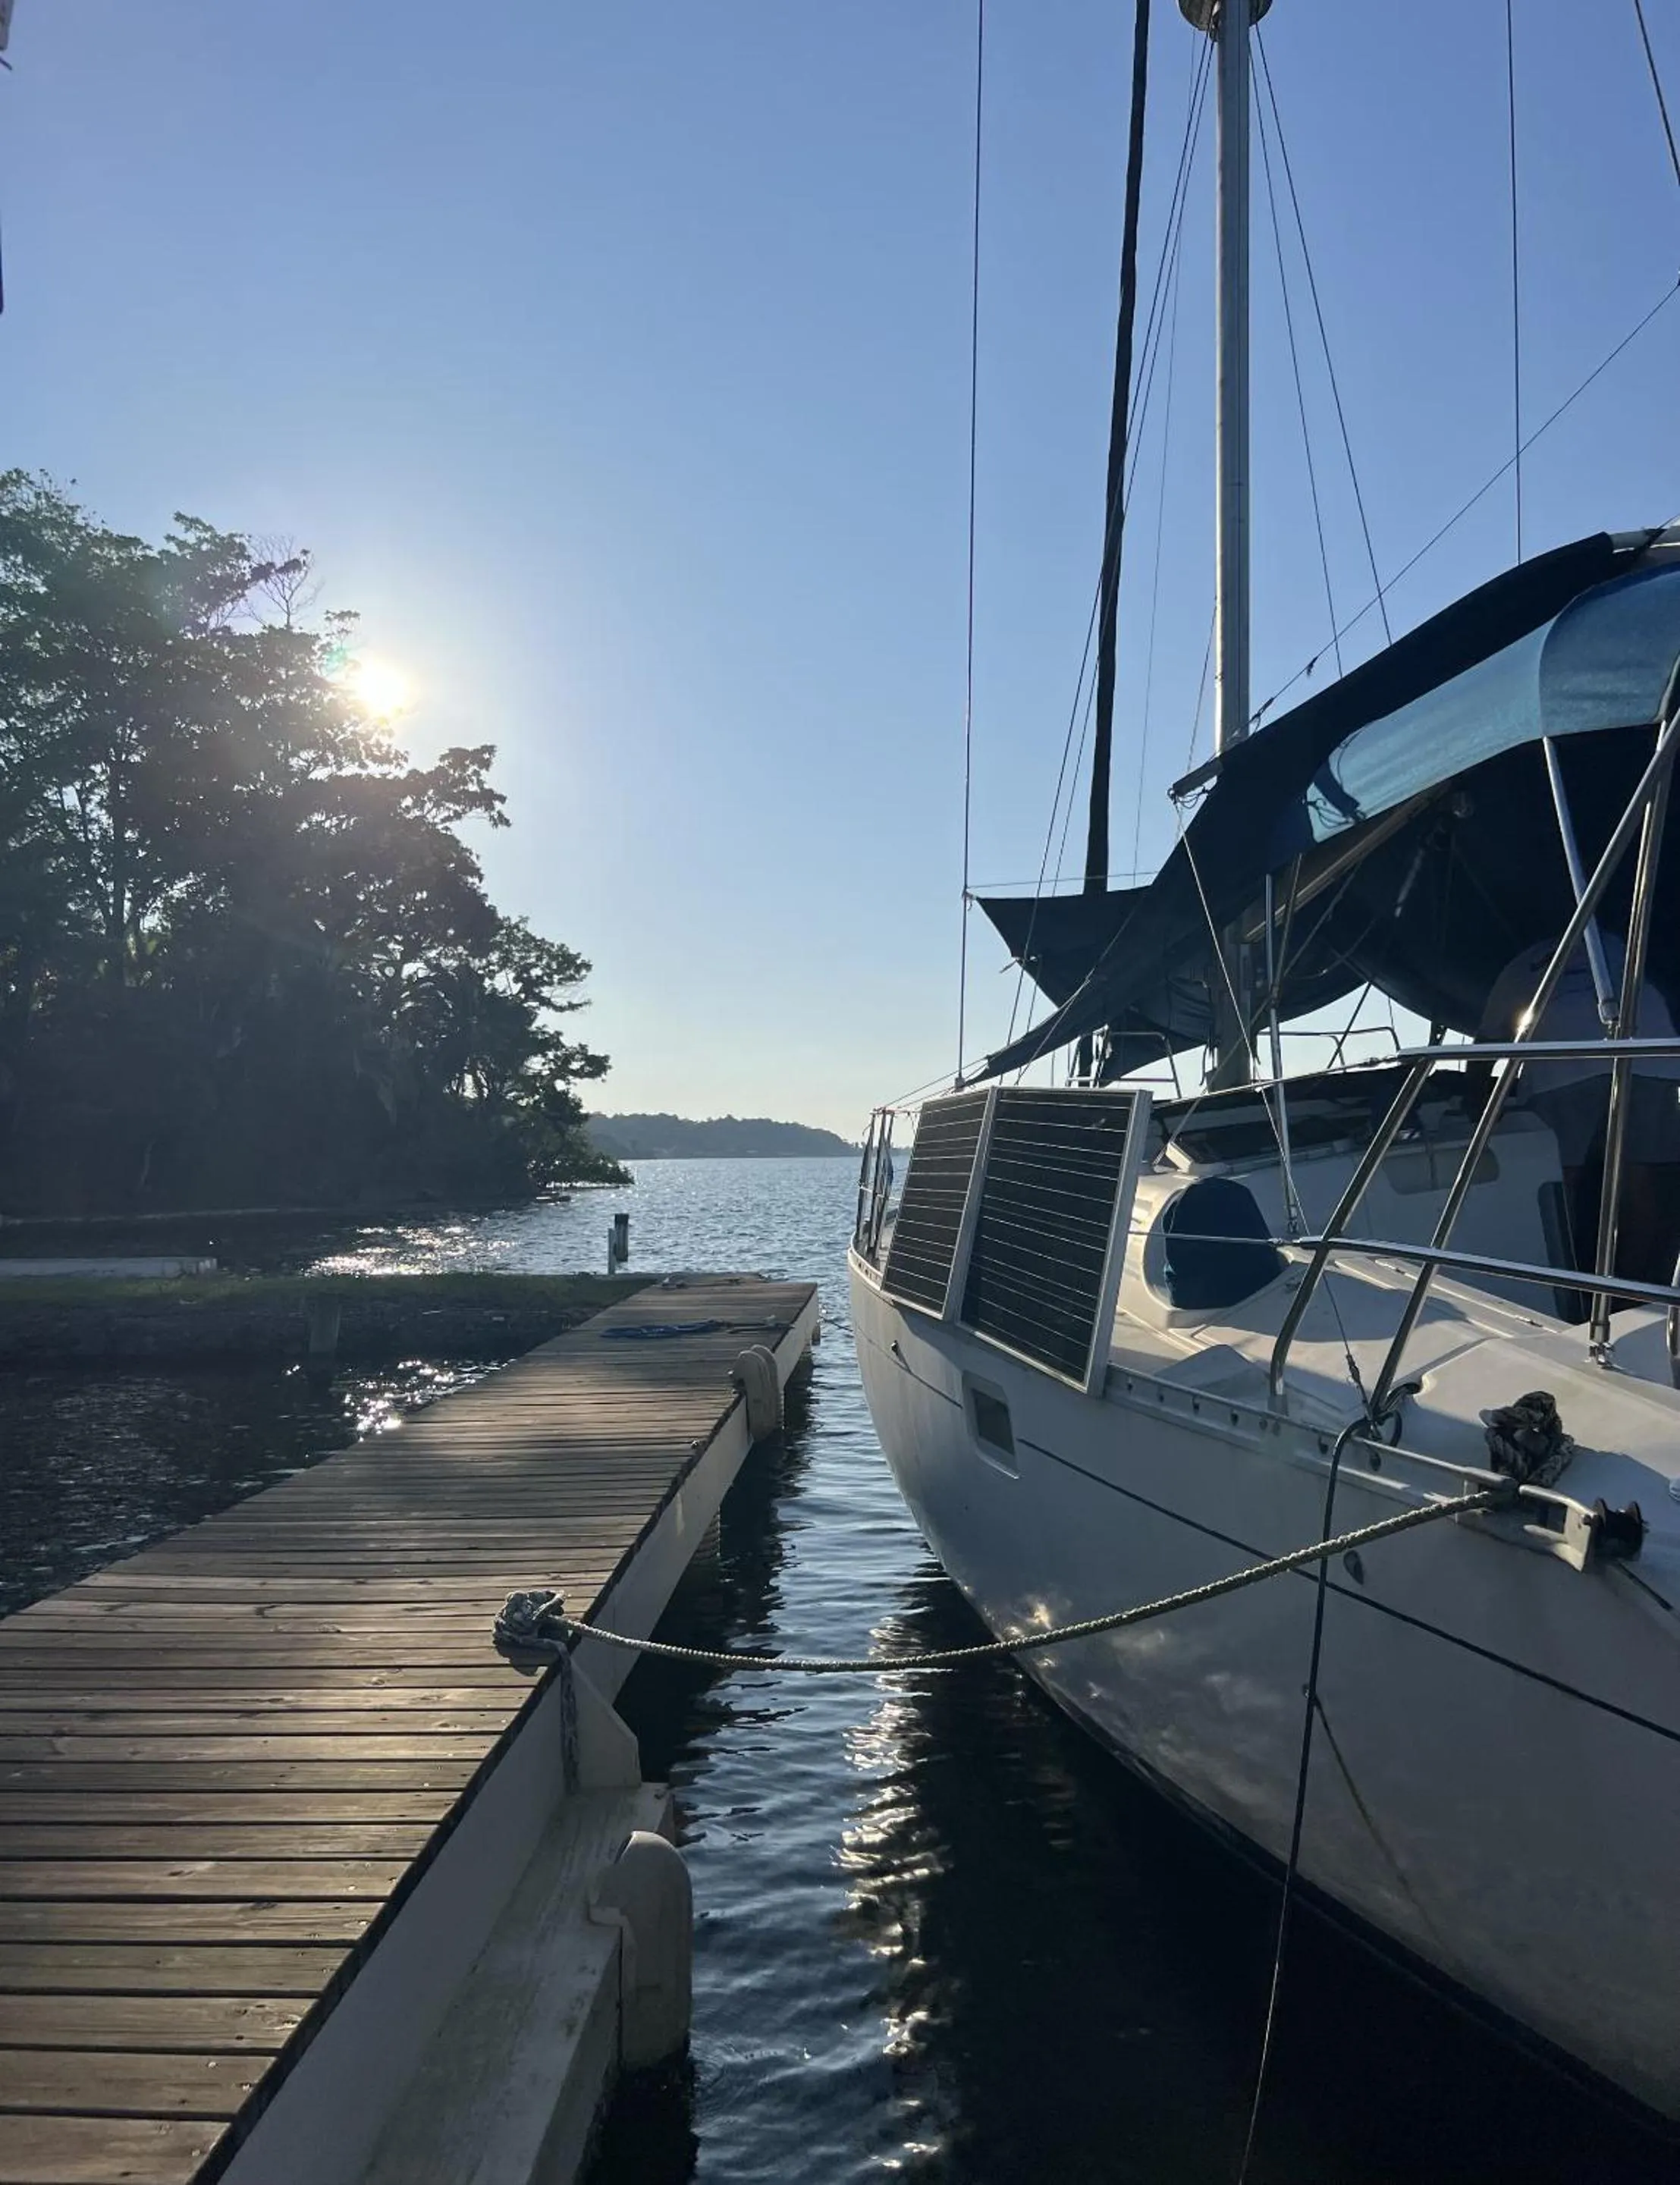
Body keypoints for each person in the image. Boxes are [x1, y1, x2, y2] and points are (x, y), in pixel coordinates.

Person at [1480, 934, 1680, 1288]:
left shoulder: (1525, 960)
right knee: (1641, 1178)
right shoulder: (1617, 942)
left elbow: (1488, 1042)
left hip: (1566, 1061)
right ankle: (1635, 1290)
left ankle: (1571, 1285)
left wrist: (1479, 1102)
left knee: (1560, 1179)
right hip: (1651, 1054)